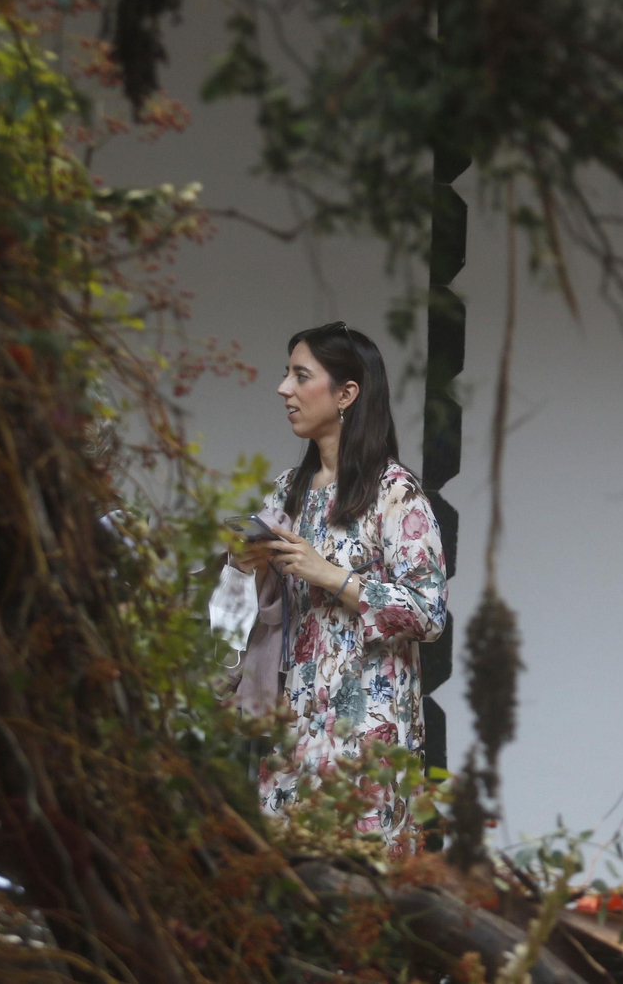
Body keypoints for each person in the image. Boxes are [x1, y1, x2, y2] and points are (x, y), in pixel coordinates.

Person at [231, 321, 449, 852]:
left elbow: (429, 613)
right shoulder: (289, 490)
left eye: (300, 375)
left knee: (361, 885)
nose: (283, 388)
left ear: (347, 394)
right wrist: (248, 567)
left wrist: (330, 574)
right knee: (290, 879)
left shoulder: (395, 492)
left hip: (368, 733)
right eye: (287, 374)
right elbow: (255, 609)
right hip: (295, 726)